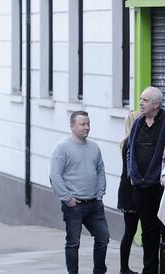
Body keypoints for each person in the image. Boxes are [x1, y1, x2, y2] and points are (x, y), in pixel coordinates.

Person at [127, 86, 165, 274]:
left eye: (145, 100)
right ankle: (149, 270)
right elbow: (130, 150)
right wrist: (132, 174)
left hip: (162, 187)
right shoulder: (137, 123)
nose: (141, 103)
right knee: (148, 232)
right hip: (140, 187)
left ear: (156, 104)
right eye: (141, 99)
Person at [50, 111, 109, 274]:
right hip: (74, 205)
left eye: (88, 124)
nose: (87, 127)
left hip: (94, 204)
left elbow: (100, 170)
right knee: (73, 242)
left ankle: (99, 271)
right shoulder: (62, 148)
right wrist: (67, 198)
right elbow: (55, 175)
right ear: (72, 126)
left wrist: (100, 194)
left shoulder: (94, 147)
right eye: (83, 124)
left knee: (103, 237)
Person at [119, 111, 141, 274]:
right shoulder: (130, 142)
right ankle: (124, 268)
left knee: (130, 230)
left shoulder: (126, 141)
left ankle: (124, 267)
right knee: (130, 231)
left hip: (127, 190)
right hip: (131, 191)